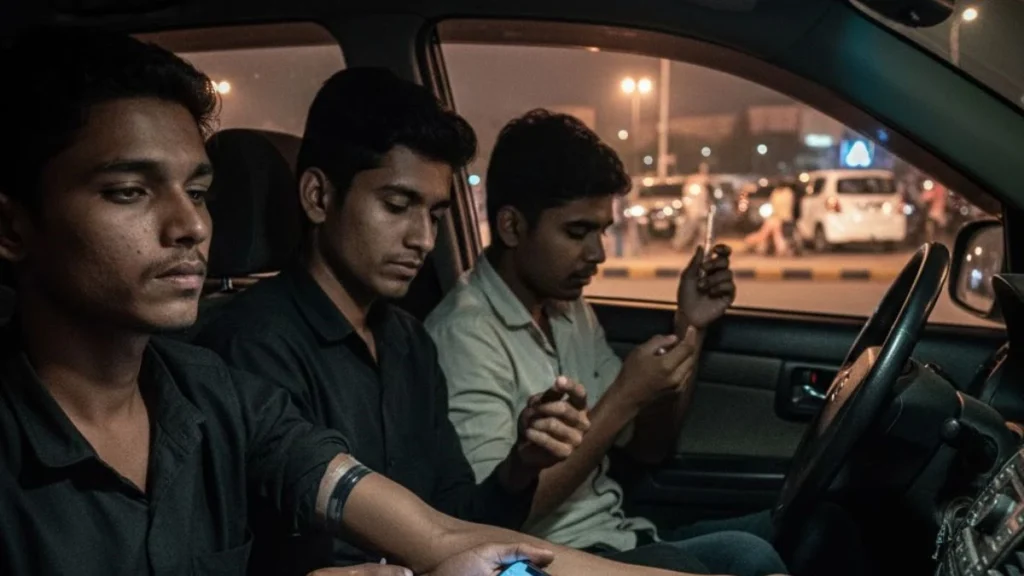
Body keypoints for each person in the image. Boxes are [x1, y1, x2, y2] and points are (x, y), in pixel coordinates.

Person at [0, 28, 779, 576]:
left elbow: (445, 531)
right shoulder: (248, 351)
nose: (191, 226)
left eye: (199, 192)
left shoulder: (217, 393)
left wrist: (517, 473)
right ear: (13, 227)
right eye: (129, 192)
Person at [195, 68, 593, 575]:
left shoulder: (409, 342)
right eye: (397, 205)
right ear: (318, 196)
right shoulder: (250, 348)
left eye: (435, 215)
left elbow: (456, 523)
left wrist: (522, 465)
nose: (423, 239)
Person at [424, 110, 786, 576]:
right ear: (512, 227)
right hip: (554, 561)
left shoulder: (568, 308)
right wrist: (626, 396)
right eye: (577, 232)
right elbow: (488, 523)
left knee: (804, 527)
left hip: (621, 535)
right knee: (748, 557)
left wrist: (689, 327)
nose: (598, 253)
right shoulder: (464, 334)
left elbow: (649, 448)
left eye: (602, 231)